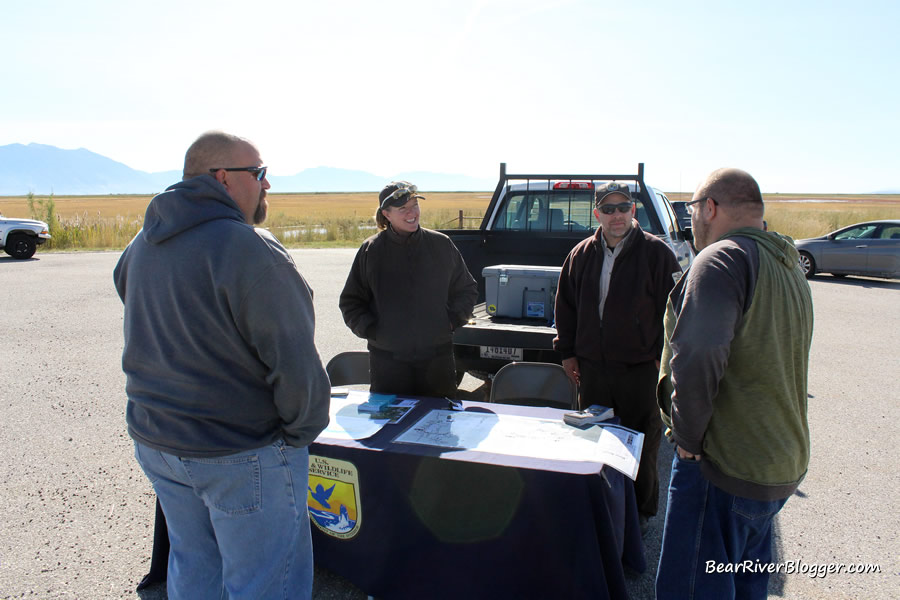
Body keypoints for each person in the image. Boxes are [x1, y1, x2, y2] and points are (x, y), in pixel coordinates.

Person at [114, 131, 331, 600]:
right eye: (259, 173)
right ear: (221, 178)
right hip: (241, 451)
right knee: (266, 582)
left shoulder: (142, 244)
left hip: (160, 443)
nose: (266, 185)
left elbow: (135, 306)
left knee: (194, 567)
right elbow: (295, 360)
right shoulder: (250, 249)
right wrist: (299, 434)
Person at [655, 168, 813, 599]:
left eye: (691, 210)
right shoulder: (785, 262)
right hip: (776, 463)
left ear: (710, 207)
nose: (691, 221)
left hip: (724, 468)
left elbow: (697, 356)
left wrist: (687, 444)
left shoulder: (721, 259)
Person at [554, 182, 682, 532]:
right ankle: (597, 506)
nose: (616, 215)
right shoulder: (581, 254)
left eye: (623, 207)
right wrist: (568, 353)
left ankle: (639, 516)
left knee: (641, 441)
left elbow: (677, 311)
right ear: (597, 214)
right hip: (593, 369)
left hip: (640, 370)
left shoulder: (658, 254)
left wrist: (663, 358)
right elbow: (565, 307)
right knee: (594, 437)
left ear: (633, 211)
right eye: (608, 209)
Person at [339, 181, 477, 399]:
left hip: (437, 361)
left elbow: (467, 289)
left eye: (414, 205)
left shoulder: (441, 245)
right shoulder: (371, 250)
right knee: (389, 426)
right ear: (386, 214)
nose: (412, 213)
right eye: (403, 209)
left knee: (438, 425)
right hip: (388, 363)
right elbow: (351, 302)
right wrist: (372, 330)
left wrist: (450, 320)